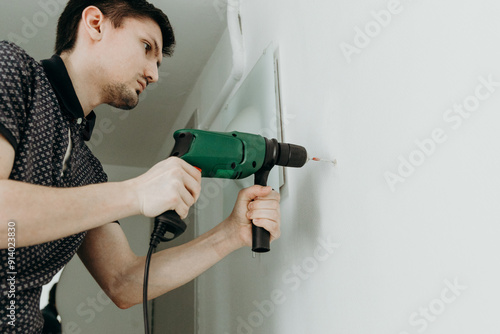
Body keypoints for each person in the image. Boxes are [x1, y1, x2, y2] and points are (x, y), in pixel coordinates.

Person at [0, 1, 281, 332]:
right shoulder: (12, 68)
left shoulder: (88, 171)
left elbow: (124, 282)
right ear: (94, 23)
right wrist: (135, 192)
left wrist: (230, 233)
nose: (155, 73)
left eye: (158, 61)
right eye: (147, 47)